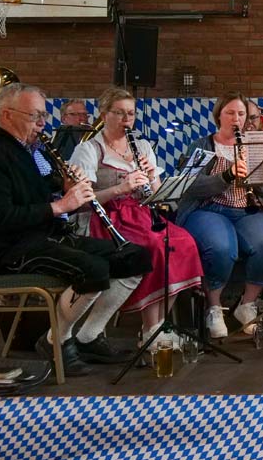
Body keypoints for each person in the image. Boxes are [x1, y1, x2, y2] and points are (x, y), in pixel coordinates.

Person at [0, 83, 150, 376]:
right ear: (7, 115)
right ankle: (56, 341)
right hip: (9, 249)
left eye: (43, 115)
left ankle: (89, 336)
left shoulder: (28, 151)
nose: (41, 123)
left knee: (134, 256)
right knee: (93, 270)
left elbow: (43, 190)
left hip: (44, 236)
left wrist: (66, 186)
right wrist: (60, 206)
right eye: (34, 115)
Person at [70, 88, 203, 350]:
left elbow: (157, 195)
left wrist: (152, 177)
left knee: (182, 242)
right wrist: (120, 188)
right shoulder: (89, 149)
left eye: (130, 114)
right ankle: (150, 327)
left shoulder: (141, 146)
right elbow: (82, 201)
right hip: (106, 218)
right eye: (119, 113)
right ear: (104, 115)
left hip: (141, 213)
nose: (126, 120)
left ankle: (157, 326)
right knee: (152, 247)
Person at [176, 93, 263, 339]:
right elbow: (189, 186)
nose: (237, 118)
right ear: (219, 116)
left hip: (246, 210)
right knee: (222, 248)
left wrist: (254, 176)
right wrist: (227, 175)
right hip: (208, 209)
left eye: (241, 114)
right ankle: (214, 307)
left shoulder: (254, 146)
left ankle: (247, 304)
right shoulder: (202, 145)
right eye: (230, 113)